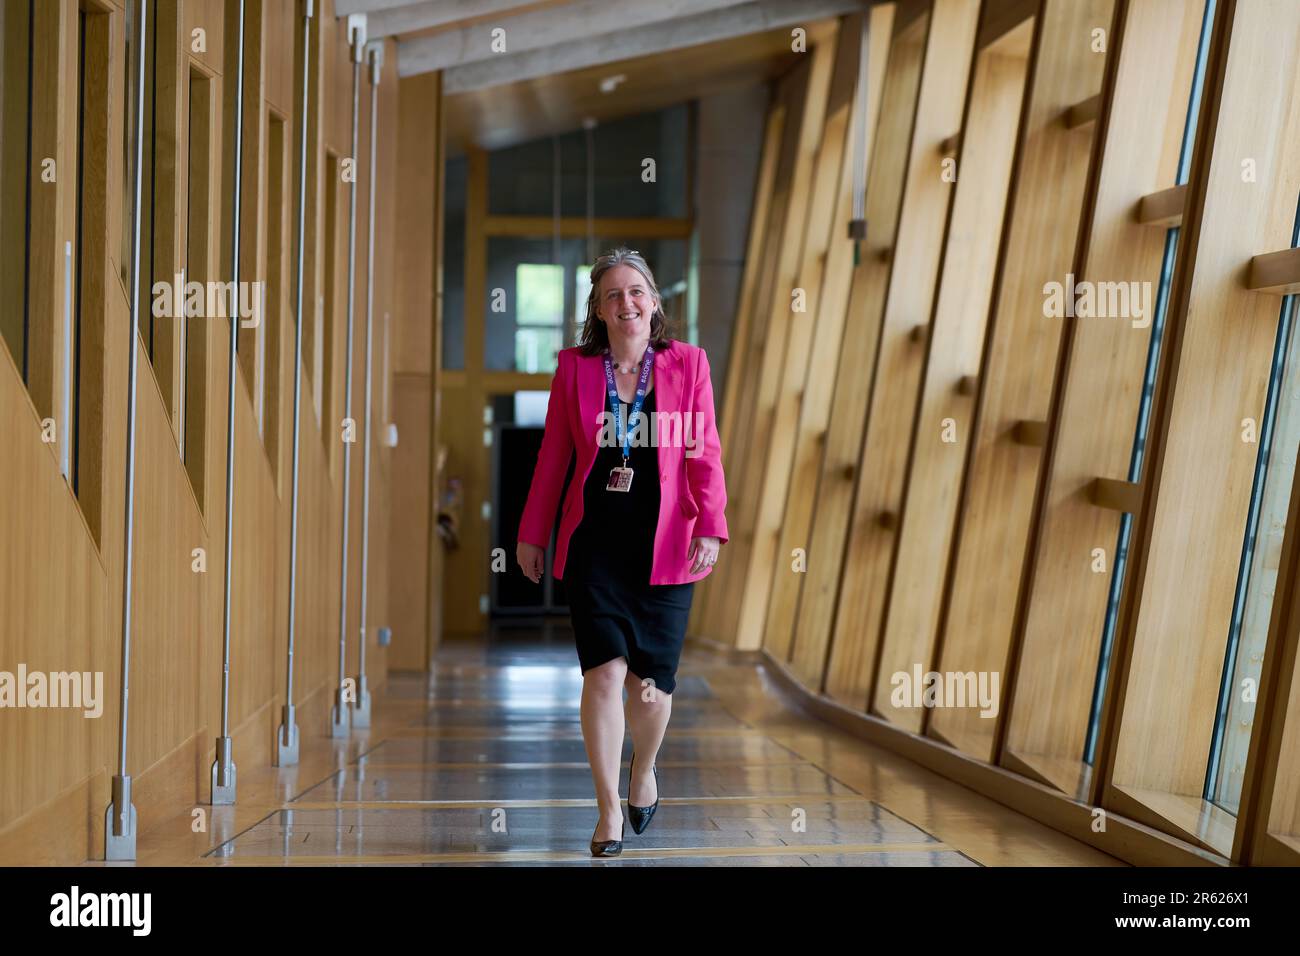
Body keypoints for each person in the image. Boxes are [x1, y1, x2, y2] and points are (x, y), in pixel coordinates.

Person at [516, 247, 729, 858]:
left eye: (636, 291)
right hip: (597, 546)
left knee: (649, 689)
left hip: (665, 544)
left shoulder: (688, 366)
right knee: (604, 674)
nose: (626, 303)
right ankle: (609, 808)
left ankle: (645, 769)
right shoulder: (576, 369)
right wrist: (533, 534)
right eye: (613, 295)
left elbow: (704, 452)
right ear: (598, 309)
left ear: (654, 301)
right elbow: (554, 456)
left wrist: (709, 525)